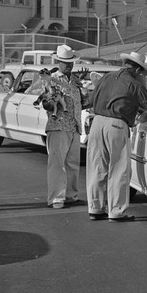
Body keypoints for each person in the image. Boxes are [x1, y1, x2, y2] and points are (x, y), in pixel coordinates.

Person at [86, 51, 147, 222]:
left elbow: (91, 99)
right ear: (139, 70)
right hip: (116, 124)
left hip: (97, 122)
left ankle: (95, 208)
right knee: (118, 169)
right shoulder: (134, 84)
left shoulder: (106, 77)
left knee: (97, 167)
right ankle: (116, 211)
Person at [41, 45, 87, 209]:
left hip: (74, 126)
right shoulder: (51, 79)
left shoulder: (74, 80)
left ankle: (70, 196)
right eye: (66, 63)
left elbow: (80, 101)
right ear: (58, 62)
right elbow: (45, 104)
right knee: (57, 163)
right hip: (58, 125)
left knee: (73, 163)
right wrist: (52, 101)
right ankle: (56, 198)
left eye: (71, 63)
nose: (69, 66)